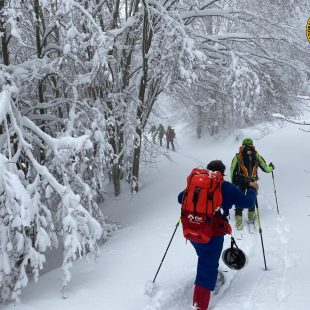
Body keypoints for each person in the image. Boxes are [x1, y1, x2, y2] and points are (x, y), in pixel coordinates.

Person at [178, 160, 258, 310]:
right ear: (222, 173)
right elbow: (248, 202)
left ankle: (211, 278)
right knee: (207, 265)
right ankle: (199, 305)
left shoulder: (198, 183)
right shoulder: (226, 187)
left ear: (208, 170)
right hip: (212, 234)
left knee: (205, 258)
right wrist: (253, 189)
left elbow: (179, 198)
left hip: (191, 231)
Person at [230, 138, 274, 229]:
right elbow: (266, 168)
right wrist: (271, 168)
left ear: (242, 145)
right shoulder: (256, 155)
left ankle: (239, 220)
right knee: (252, 197)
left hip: (241, 181)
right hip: (253, 181)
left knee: (239, 198)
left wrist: (233, 182)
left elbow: (232, 170)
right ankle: (251, 216)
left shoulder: (238, 156)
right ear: (252, 144)